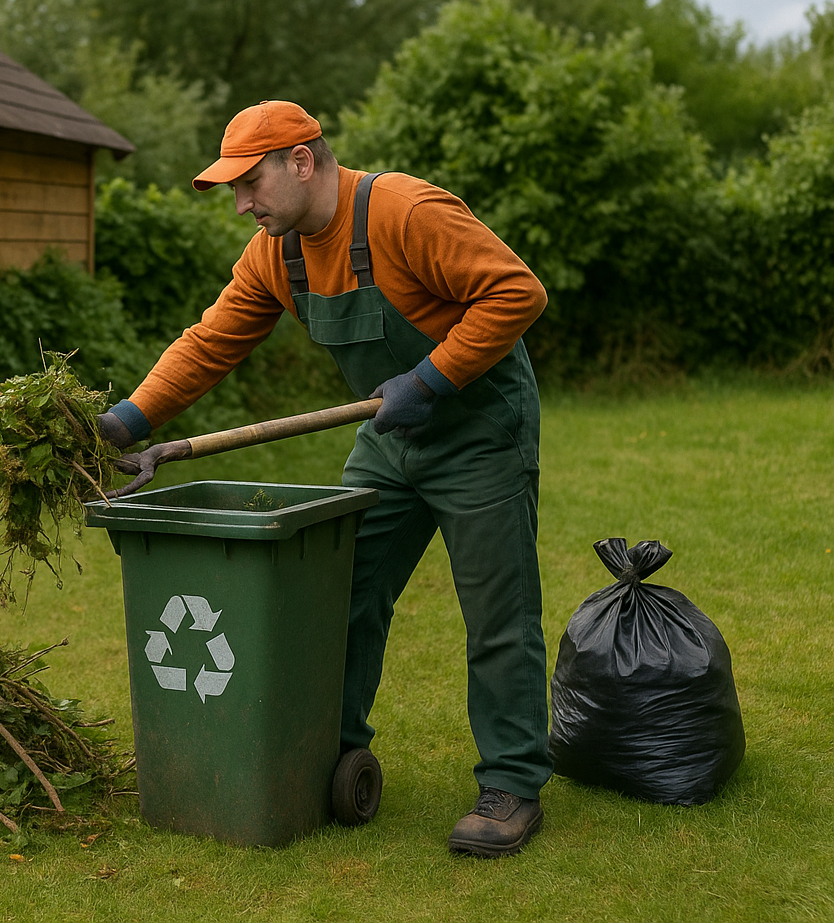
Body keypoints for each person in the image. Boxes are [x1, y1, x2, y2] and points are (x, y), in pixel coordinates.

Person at [96, 100, 551, 857]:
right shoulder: (278, 252)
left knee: (497, 615)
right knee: (338, 596)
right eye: (235, 190)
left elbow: (517, 293)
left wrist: (432, 379)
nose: (242, 204)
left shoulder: (404, 211)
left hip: (479, 433)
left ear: (301, 162)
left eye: (250, 184)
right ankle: (323, 756)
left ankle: (512, 784)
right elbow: (211, 340)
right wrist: (128, 421)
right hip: (388, 442)